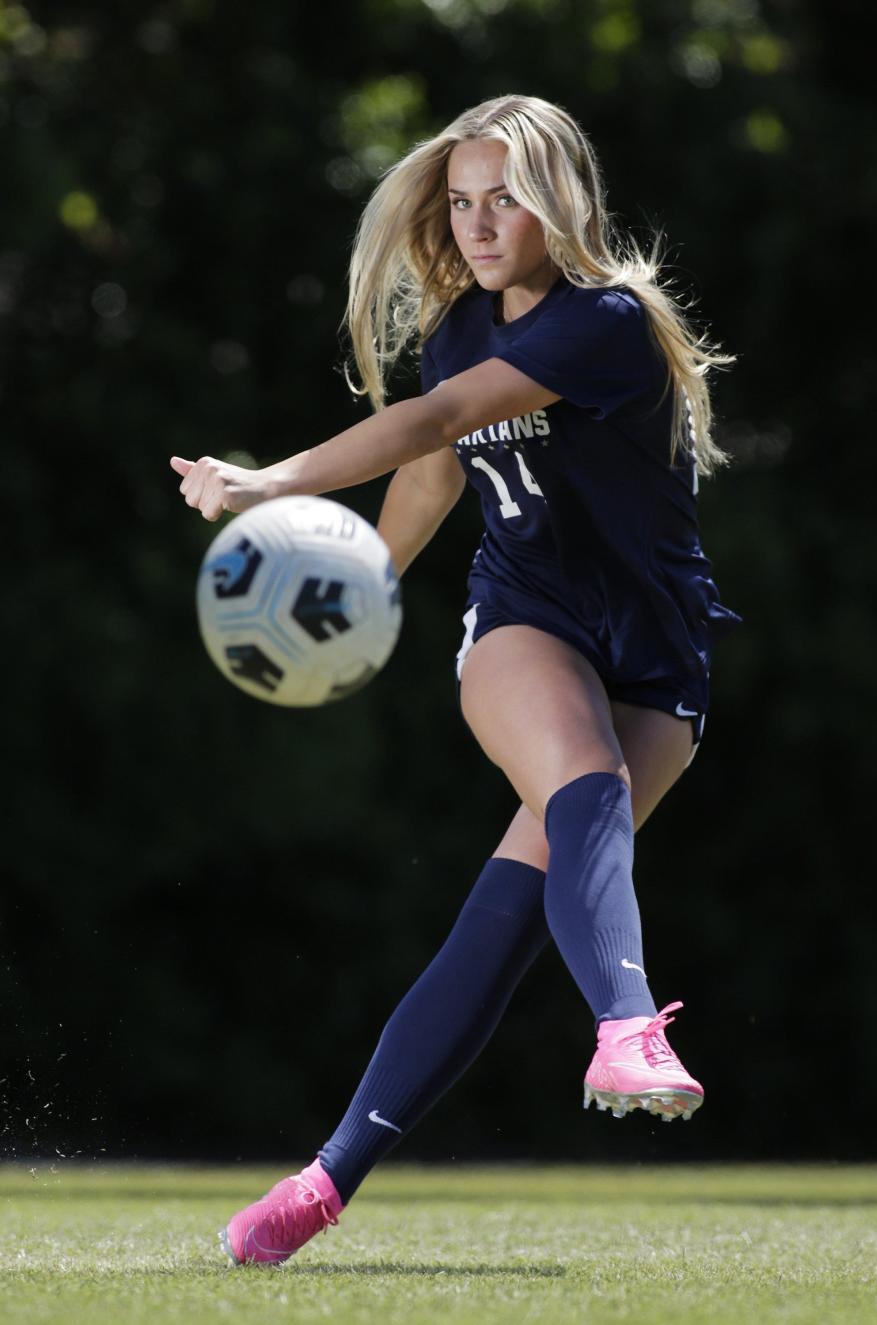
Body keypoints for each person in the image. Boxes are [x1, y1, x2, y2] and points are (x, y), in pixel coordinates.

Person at [171, 93, 740, 1266]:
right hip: (526, 616)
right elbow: (434, 469)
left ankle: (323, 1180)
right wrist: (355, 596)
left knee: (503, 920)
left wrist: (271, 480)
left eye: (504, 198)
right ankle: (630, 1027)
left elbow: (441, 417)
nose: (478, 225)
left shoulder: (607, 322)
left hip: (657, 649)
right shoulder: (457, 329)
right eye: (462, 202)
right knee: (578, 780)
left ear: (560, 199)